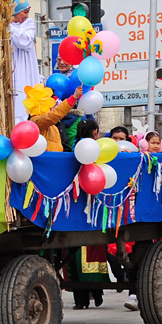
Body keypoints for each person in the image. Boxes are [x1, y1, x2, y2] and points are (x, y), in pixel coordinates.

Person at [67, 117, 107, 309]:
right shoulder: (97, 151)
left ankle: (80, 300)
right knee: (93, 251)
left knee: (73, 256)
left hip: (71, 210)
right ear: (95, 133)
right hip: (93, 209)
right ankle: (97, 294)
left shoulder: (72, 150)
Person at [25, 83, 82, 151]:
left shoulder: (53, 126)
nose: (53, 106)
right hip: (47, 159)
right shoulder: (35, 122)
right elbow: (53, 115)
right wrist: (73, 98)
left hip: (57, 159)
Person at [10, 0, 40, 124]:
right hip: (13, 66)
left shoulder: (29, 24)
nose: (27, 16)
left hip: (25, 67)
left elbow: (24, 41)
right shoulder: (10, 26)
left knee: (24, 94)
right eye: (24, 12)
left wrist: (9, 29)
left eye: (28, 13)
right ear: (15, 12)